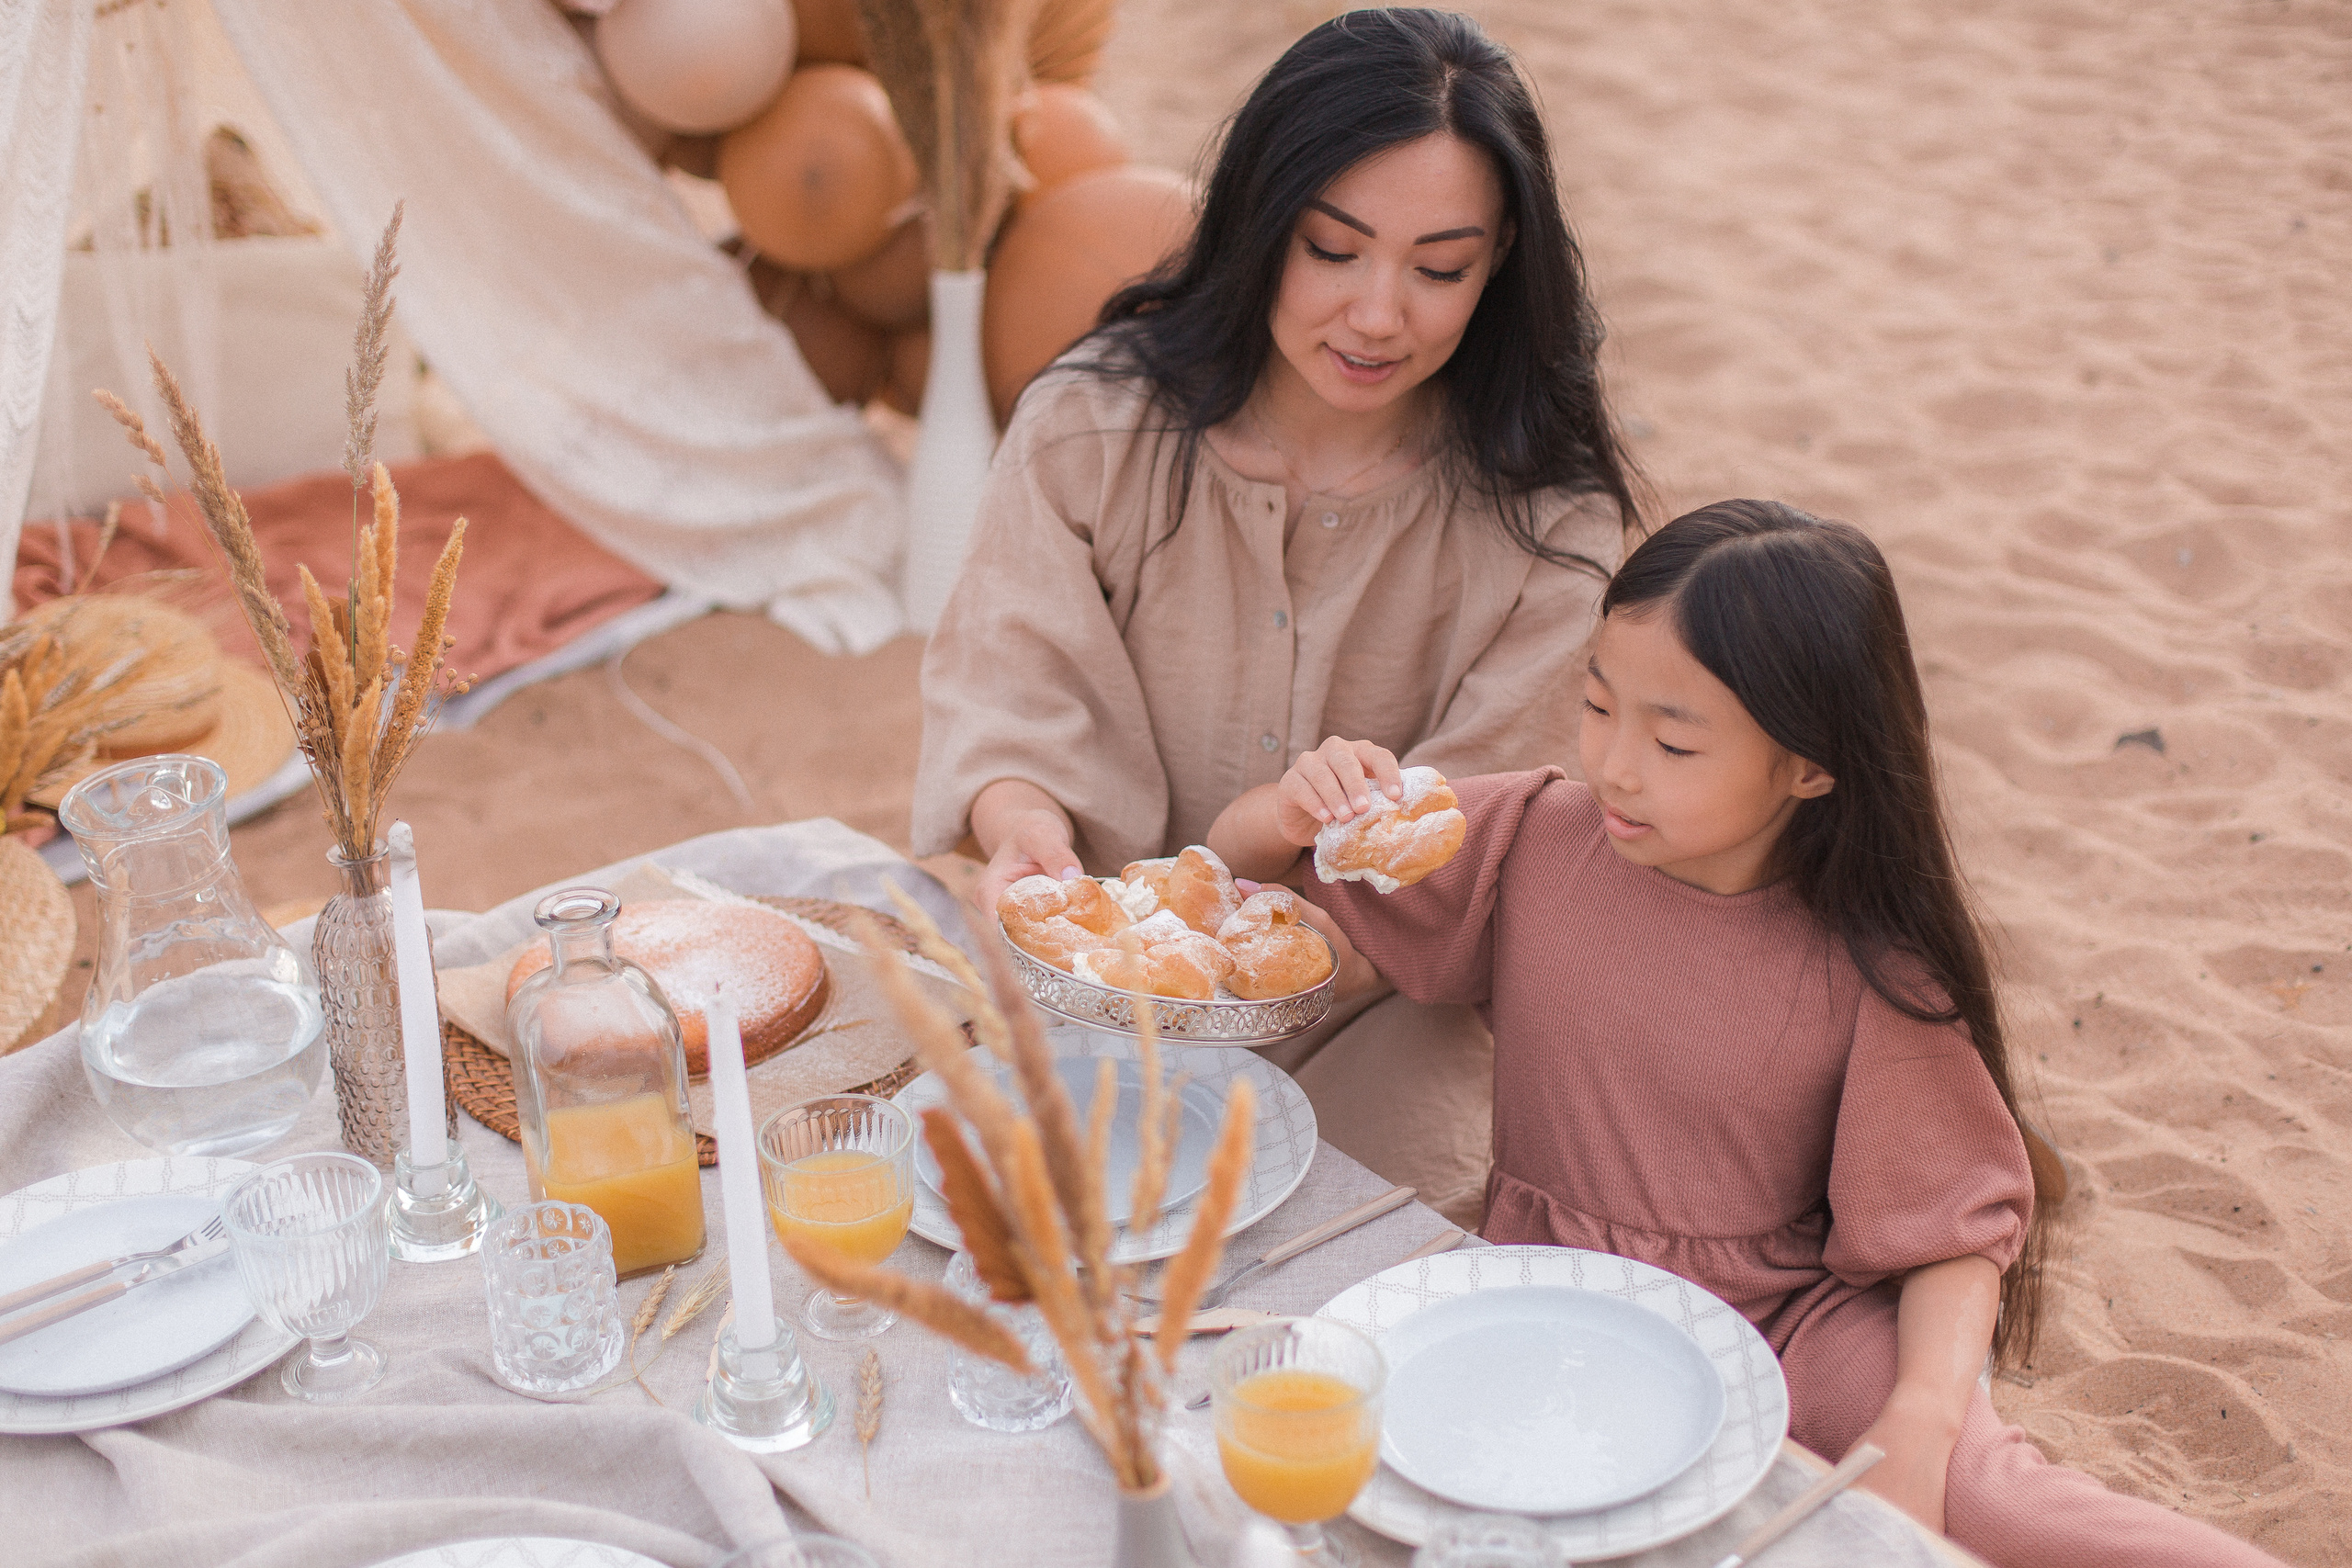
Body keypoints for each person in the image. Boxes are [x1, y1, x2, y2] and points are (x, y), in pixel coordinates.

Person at [1209, 500, 2283, 1565]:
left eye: (1674, 741)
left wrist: (1916, 1430)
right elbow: (1251, 898)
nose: (1616, 766)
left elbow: (1953, 1231)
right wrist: (1283, 815)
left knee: (1983, 1497)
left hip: (1797, 1330)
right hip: (1550, 1281)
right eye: (1596, 706)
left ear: (1810, 766)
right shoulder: (1532, 838)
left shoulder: (1869, 964)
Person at [913, 9, 1641, 1224]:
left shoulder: (1548, 521)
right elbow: (1010, 678)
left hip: (1373, 1005)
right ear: (1261, 223)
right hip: (1080, 962)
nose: (1377, 313)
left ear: (1504, 257)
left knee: (1373, 1251)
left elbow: (1478, 835)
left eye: (1440, 266)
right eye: (1333, 249)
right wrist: (1025, 826)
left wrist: (1271, 958)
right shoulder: (1090, 425)